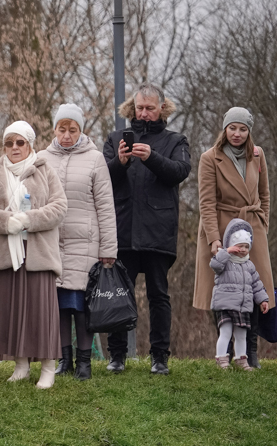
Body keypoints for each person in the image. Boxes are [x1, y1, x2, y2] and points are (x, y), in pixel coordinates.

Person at [102, 83, 191, 375]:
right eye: (140, 107)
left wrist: (151, 156)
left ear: (161, 109)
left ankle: (159, 358)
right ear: (132, 107)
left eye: (150, 108)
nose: (144, 113)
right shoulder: (115, 139)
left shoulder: (176, 140)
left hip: (158, 231)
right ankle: (116, 356)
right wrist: (121, 162)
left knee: (158, 295)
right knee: (117, 294)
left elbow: (180, 172)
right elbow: (102, 179)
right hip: (122, 229)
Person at [0, 121, 69, 389]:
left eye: (20, 142)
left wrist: (28, 219)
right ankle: (21, 364)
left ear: (30, 144)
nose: (14, 148)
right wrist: (7, 221)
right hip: (5, 252)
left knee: (41, 309)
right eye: (9, 143)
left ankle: (48, 366)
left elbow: (60, 207)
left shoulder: (45, 169)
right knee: (11, 308)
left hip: (38, 251)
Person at [44, 104, 117, 380]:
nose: (66, 135)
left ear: (80, 131)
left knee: (82, 306)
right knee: (60, 305)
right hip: (52, 244)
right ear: (54, 130)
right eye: (61, 129)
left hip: (86, 244)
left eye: (72, 130)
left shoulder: (95, 159)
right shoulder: (42, 158)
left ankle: (84, 363)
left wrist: (108, 249)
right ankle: (65, 359)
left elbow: (106, 206)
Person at [195, 107, 271, 369]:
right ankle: (224, 353)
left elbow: (265, 194)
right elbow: (206, 202)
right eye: (232, 128)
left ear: (249, 131)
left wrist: (263, 223)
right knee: (225, 291)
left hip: (253, 230)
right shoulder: (209, 158)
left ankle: (250, 353)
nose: (237, 134)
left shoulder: (257, 156)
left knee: (254, 289)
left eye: (242, 129)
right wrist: (214, 239)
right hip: (222, 228)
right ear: (224, 129)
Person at [210, 219, 269, 370]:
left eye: (246, 246)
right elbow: (214, 264)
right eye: (239, 246)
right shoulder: (225, 261)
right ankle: (222, 360)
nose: (242, 250)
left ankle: (241, 360)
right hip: (225, 305)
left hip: (242, 307)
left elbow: (257, 284)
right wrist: (227, 251)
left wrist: (263, 300)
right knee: (225, 332)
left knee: (241, 335)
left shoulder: (249, 265)